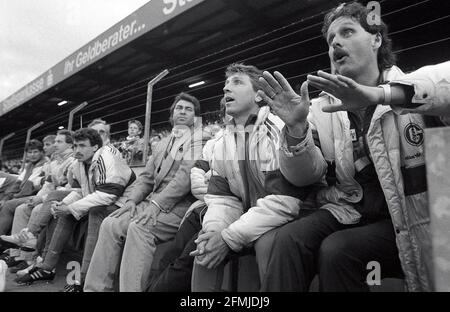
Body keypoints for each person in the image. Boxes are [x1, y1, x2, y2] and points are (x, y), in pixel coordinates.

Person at [257, 1, 450, 292]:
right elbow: (304, 177)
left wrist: (378, 95)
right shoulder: (322, 109)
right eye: (330, 39)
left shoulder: (410, 88)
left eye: (347, 32)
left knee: (338, 251)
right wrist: (295, 131)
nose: (335, 42)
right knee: (287, 239)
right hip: (355, 210)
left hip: (414, 218)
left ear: (376, 39)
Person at [190, 63, 326, 291]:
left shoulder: (277, 129)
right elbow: (223, 198)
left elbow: (285, 200)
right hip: (258, 216)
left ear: (258, 96)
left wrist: (229, 237)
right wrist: (215, 230)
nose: (226, 89)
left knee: (267, 246)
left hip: (296, 214)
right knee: (204, 246)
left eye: (237, 82)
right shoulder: (223, 141)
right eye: (225, 84)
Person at [84, 92, 207, 292]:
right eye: (179, 108)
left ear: (196, 116)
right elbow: (147, 178)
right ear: (172, 113)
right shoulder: (162, 143)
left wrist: (155, 205)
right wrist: (132, 201)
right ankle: (94, 289)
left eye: (189, 109)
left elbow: (183, 180)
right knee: (110, 223)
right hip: (152, 203)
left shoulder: (199, 138)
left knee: (139, 228)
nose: (183, 111)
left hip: (178, 206)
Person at [15, 128, 135, 290]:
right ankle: (46, 267)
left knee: (95, 212)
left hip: (125, 202)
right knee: (67, 213)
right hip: (103, 199)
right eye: (76, 146)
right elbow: (80, 191)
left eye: (82, 146)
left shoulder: (106, 155)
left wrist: (70, 207)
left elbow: (109, 195)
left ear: (94, 147)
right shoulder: (80, 163)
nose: (77, 150)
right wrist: (65, 205)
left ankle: (85, 278)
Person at [0, 130, 74, 271]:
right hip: (44, 195)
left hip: (58, 198)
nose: (52, 145)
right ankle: (20, 254)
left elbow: (64, 187)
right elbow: (45, 184)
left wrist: (39, 196)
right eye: (53, 142)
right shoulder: (52, 162)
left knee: (27, 208)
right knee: (21, 208)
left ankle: (30, 257)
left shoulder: (67, 161)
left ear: (70, 145)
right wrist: (38, 196)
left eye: (57, 142)